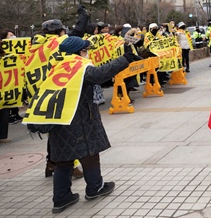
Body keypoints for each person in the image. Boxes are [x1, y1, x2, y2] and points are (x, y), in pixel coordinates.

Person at [44, 36, 141, 213]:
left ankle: (61, 198)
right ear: (78, 53)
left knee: (63, 160)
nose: (86, 53)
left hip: (58, 121)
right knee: (89, 154)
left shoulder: (56, 67)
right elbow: (100, 74)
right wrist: (125, 58)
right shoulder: (77, 68)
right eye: (84, 50)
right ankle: (95, 188)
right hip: (79, 121)